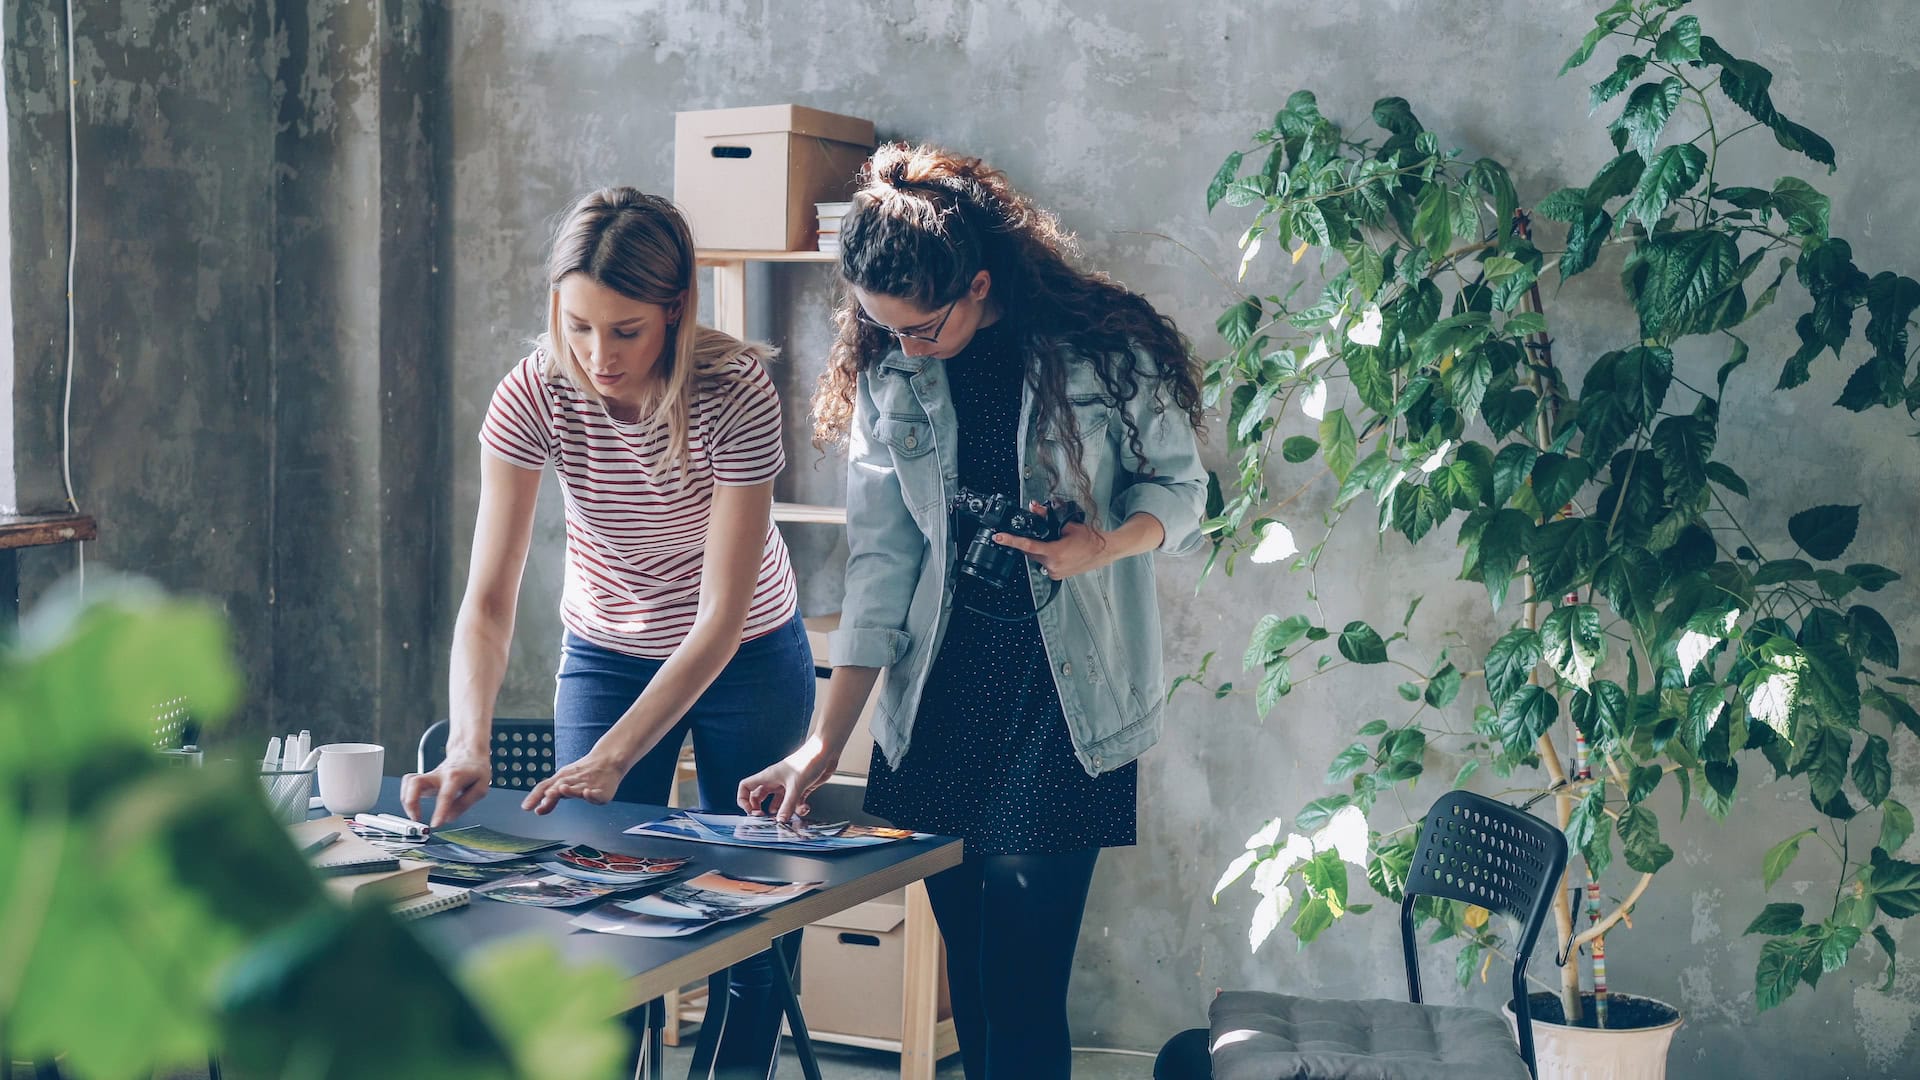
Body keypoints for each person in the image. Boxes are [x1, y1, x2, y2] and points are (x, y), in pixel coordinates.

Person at [737, 143, 1207, 1078]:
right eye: (880, 327)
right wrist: (825, 742)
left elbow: (1186, 494)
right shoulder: (891, 375)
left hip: (1065, 700)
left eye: (919, 326)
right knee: (977, 990)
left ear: (980, 282)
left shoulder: (1106, 349)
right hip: (942, 701)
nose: (899, 345)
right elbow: (881, 563)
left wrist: (1103, 546)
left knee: (1027, 991)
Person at [401, 187, 812, 1077]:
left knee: (752, 911)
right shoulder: (535, 391)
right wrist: (468, 742)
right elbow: (488, 600)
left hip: (745, 652)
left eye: (625, 330)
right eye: (578, 325)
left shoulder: (735, 389)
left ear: (674, 310)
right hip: (607, 649)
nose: (598, 356)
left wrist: (619, 756)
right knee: (595, 904)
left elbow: (720, 618)